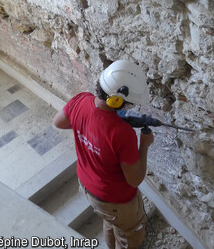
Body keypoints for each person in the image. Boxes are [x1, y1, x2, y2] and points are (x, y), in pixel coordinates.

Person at [53, 60, 154, 249]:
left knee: (111, 222)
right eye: (128, 103)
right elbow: (135, 180)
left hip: (88, 187)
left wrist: (87, 128)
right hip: (115, 199)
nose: (128, 107)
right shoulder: (123, 133)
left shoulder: (81, 100)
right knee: (131, 233)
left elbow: (58, 122)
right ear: (117, 100)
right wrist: (145, 145)